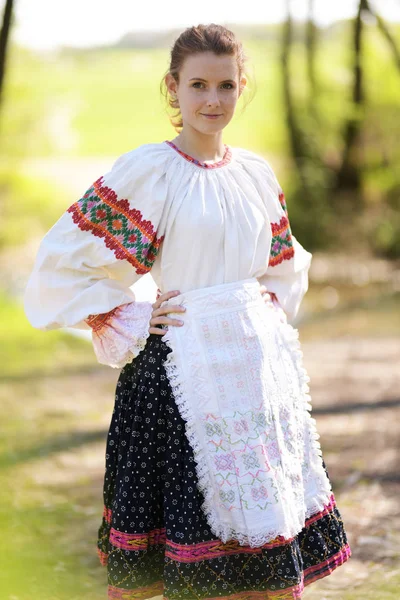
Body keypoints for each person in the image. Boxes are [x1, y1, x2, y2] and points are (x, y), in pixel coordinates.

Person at [23, 23, 351, 600]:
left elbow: (284, 261)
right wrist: (123, 313)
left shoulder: (254, 174)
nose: (212, 100)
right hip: (178, 373)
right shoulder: (151, 171)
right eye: (197, 85)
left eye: (226, 86)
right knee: (171, 561)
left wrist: (262, 316)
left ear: (240, 87)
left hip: (253, 380)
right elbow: (62, 262)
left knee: (261, 562)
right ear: (172, 88)